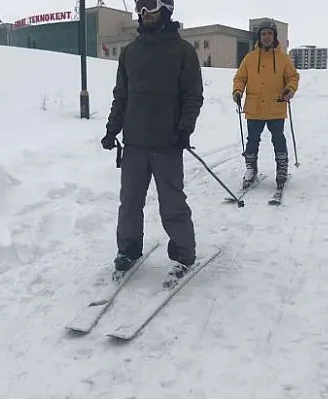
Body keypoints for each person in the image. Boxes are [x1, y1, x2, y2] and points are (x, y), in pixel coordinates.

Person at [101, 0, 204, 284]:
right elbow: (121, 95)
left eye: (151, 6)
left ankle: (184, 253)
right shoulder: (131, 52)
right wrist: (112, 130)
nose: (145, 13)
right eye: (141, 7)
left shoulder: (183, 51)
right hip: (134, 142)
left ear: (167, 9)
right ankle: (128, 250)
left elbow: (193, 96)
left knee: (172, 202)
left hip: (167, 142)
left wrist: (184, 130)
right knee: (130, 202)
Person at [232, 21, 300, 191]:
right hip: (254, 107)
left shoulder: (283, 58)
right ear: (259, 37)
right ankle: (251, 169)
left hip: (276, 105)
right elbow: (240, 78)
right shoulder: (250, 58)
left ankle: (282, 169)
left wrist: (290, 89)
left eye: (269, 33)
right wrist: (238, 91)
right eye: (263, 34)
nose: (266, 37)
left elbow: (293, 77)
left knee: (278, 139)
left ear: (274, 36)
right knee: (252, 140)